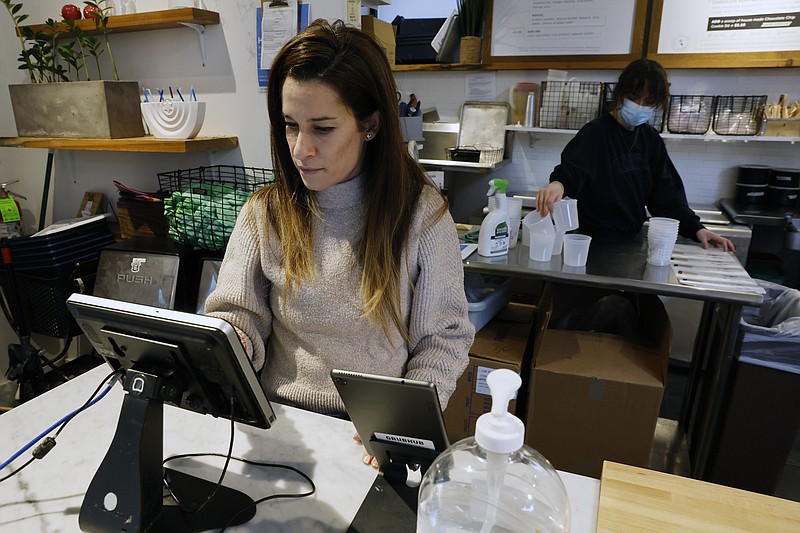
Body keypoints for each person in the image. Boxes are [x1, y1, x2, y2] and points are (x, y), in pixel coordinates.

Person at [204, 20, 474, 461]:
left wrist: (403, 423)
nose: (300, 150)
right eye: (290, 125)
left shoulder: (421, 216)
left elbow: (443, 339)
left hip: (369, 437)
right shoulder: (266, 212)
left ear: (369, 125)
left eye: (323, 129)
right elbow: (240, 314)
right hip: (278, 425)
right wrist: (237, 340)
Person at [536, 58, 734, 251]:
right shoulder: (595, 132)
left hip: (630, 241)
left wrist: (697, 229)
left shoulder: (650, 139)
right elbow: (572, 170)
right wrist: (558, 184)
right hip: (590, 242)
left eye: (648, 101)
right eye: (633, 97)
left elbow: (667, 197)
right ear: (620, 93)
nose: (639, 105)